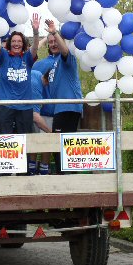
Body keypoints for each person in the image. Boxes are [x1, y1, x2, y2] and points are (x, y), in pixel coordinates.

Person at [44, 19, 83, 173]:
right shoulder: (54, 63)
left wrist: (54, 31)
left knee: (61, 146)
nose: (53, 44)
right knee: (60, 146)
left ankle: (66, 179)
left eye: (55, 41)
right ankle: (66, 178)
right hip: (59, 109)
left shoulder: (68, 58)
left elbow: (65, 51)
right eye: (50, 42)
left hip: (69, 107)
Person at [0, 13, 40, 134]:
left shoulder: (27, 58)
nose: (16, 44)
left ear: (23, 43)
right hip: (5, 105)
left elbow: (35, 47)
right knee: (5, 140)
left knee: (25, 140)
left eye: (19, 41)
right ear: (9, 43)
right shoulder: (4, 56)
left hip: (25, 106)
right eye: (13, 41)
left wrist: (35, 32)